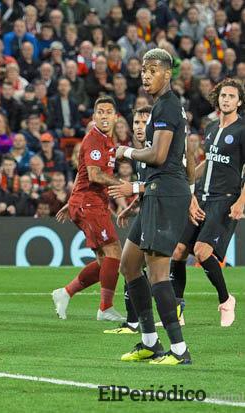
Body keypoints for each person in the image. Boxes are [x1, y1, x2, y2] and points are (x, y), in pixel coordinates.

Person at [113, 49, 194, 365]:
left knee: (159, 274)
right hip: (155, 195)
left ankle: (179, 350)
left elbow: (158, 156)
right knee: (129, 265)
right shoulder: (165, 106)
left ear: (168, 73)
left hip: (166, 195)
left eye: (152, 70)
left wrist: (127, 151)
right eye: (143, 71)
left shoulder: (167, 106)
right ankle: (149, 342)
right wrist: (137, 199)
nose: (145, 75)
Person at [168, 79, 244, 328]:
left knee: (201, 251)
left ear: (239, 102)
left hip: (224, 200)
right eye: (223, 95)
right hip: (201, 197)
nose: (226, 100)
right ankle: (177, 312)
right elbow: (208, 162)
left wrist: (241, 201)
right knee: (178, 251)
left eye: (231, 96)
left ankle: (226, 300)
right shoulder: (211, 128)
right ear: (217, 98)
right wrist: (189, 184)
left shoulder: (242, 130)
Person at [52, 96, 125, 322]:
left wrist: (72, 199)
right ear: (94, 117)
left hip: (88, 201)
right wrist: (123, 185)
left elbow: (82, 173)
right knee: (114, 252)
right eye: (100, 112)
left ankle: (65, 293)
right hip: (90, 204)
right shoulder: (94, 139)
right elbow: (94, 175)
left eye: (108, 112)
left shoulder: (107, 141)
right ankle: (105, 309)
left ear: (115, 117)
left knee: (107, 261)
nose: (104, 116)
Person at [104, 105, 153, 335]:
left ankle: (161, 324)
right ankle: (134, 324)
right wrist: (130, 207)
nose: (139, 127)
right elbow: (147, 189)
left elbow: (163, 184)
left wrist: (131, 188)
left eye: (144, 123)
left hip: (160, 216)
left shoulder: (157, 153)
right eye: (136, 123)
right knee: (129, 266)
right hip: (145, 214)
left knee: (150, 272)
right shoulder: (139, 154)